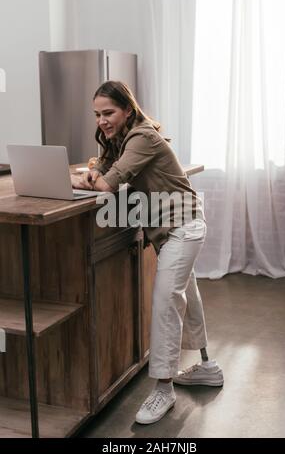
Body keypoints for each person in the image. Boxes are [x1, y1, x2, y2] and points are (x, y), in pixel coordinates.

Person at [73, 80, 224, 425]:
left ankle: (163, 389)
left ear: (128, 109)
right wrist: (94, 173)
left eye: (108, 112)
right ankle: (206, 367)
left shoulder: (143, 137)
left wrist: (90, 177)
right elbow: (103, 170)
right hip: (176, 228)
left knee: (166, 301)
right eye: (97, 114)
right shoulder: (124, 137)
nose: (102, 120)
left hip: (182, 228)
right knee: (188, 294)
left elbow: (108, 184)